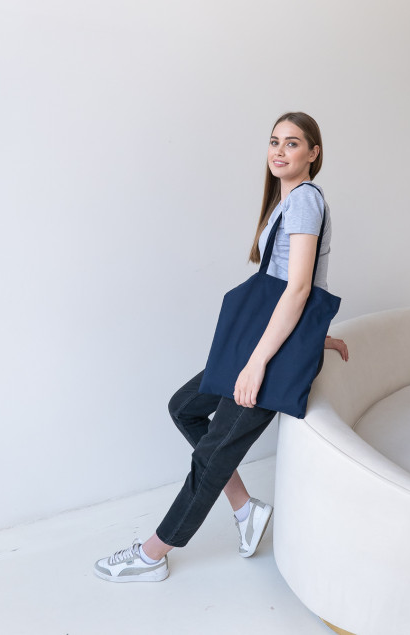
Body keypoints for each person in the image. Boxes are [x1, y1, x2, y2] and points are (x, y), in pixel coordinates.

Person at [94, 112, 348, 583]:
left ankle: (152, 555)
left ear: (314, 153)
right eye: (274, 141)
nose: (280, 151)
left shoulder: (305, 200)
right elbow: (299, 284)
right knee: (185, 407)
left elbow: (298, 288)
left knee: (211, 455)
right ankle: (246, 509)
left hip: (267, 353)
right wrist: (314, 337)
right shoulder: (287, 202)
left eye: (293, 143)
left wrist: (257, 364)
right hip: (268, 340)